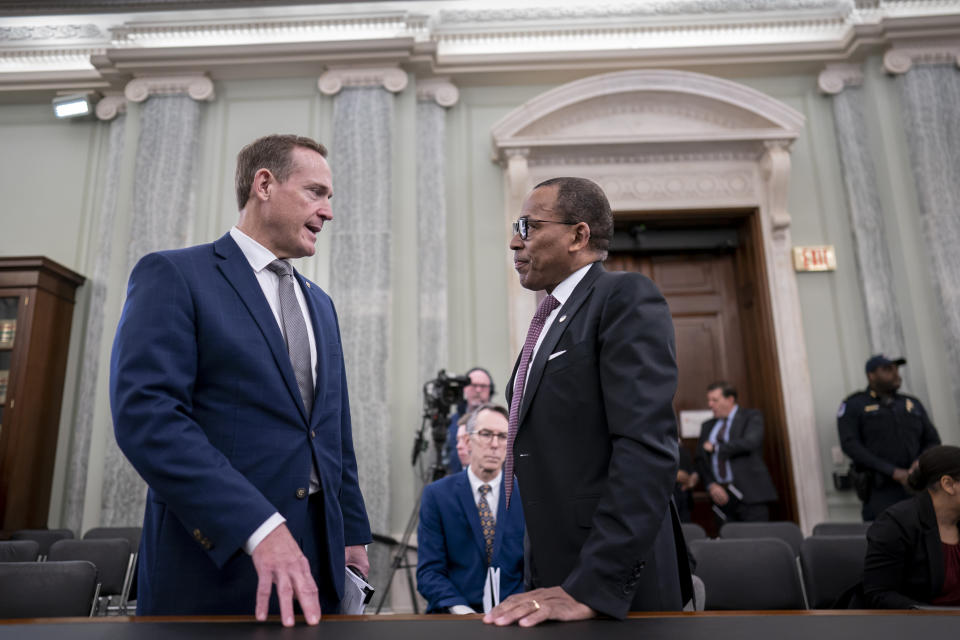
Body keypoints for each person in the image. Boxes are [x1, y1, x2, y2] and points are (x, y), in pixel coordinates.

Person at [110, 134, 371, 626]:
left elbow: (333, 432)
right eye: (316, 192)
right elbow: (148, 419)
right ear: (264, 184)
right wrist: (257, 526)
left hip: (321, 560)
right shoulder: (174, 275)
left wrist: (352, 533)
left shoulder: (320, 303)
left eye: (329, 198)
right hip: (218, 560)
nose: (328, 211)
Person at [485, 177, 691, 627]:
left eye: (529, 225)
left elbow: (646, 449)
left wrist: (596, 582)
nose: (514, 241)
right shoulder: (550, 316)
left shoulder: (623, 297)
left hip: (610, 584)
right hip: (556, 570)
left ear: (579, 235)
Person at [417, 404, 525, 613]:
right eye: (486, 434)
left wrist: (516, 607)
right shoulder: (437, 496)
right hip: (455, 616)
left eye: (503, 436)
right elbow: (429, 572)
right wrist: (461, 611)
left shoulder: (526, 496)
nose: (494, 444)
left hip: (514, 617)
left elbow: (534, 569)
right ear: (467, 441)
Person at [838, 354, 941, 521]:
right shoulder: (854, 405)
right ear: (871, 375)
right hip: (880, 490)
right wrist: (893, 472)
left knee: (926, 538)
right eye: (887, 369)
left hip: (918, 486)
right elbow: (850, 445)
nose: (895, 373)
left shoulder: (912, 403)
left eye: (896, 368)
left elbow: (932, 440)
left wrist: (919, 463)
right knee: (887, 541)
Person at [862, 445, 960, 608]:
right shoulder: (896, 523)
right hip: (919, 626)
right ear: (948, 484)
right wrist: (930, 616)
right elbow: (878, 594)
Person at [695, 381, 778, 524]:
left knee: (756, 542)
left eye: (714, 400)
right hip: (722, 500)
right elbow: (700, 460)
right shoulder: (707, 426)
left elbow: (750, 442)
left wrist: (717, 448)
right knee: (727, 543)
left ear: (730, 399)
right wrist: (711, 485)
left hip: (751, 496)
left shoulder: (751, 417)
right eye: (709, 400)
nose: (710, 405)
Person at [445, 367, 495, 474]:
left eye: (483, 386)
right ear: (464, 389)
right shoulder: (449, 422)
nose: (478, 390)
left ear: (490, 390)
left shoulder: (500, 422)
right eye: (473, 385)